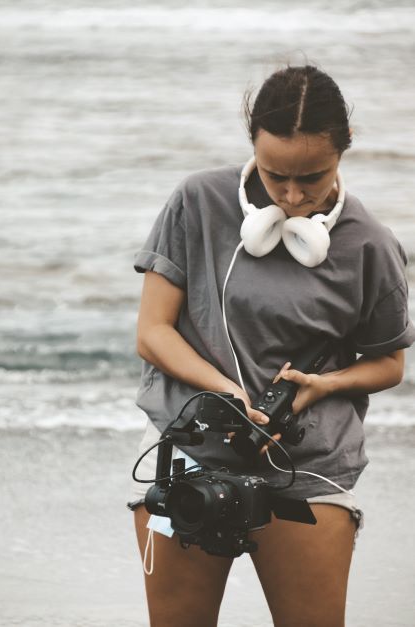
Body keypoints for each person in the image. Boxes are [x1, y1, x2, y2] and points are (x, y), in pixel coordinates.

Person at [131, 65, 415, 627]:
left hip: (308, 466)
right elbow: (153, 331)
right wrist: (227, 392)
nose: (291, 196)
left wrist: (324, 386)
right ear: (252, 147)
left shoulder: (372, 245)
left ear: (345, 150)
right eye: (274, 174)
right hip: (189, 451)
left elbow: (389, 363)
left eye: (312, 177)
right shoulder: (197, 201)